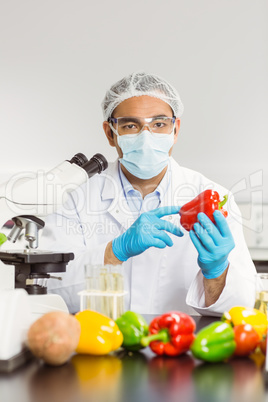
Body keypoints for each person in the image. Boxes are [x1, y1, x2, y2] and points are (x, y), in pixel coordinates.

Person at [40, 71, 256, 315]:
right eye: (131, 125)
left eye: (159, 124)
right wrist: (114, 252)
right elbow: (48, 291)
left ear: (175, 129)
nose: (146, 136)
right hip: (97, 344)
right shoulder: (75, 196)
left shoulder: (213, 197)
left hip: (181, 346)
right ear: (110, 133)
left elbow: (242, 309)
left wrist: (217, 272)